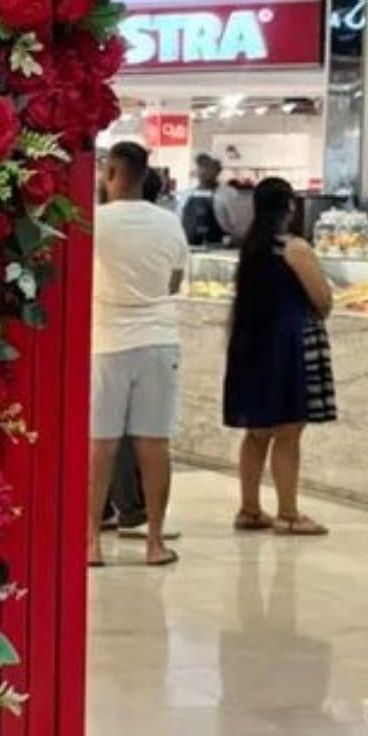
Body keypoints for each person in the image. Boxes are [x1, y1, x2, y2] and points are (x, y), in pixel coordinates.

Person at [89, 139, 188, 567]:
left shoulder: (94, 222)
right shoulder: (170, 224)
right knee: (154, 444)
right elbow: (173, 282)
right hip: (159, 341)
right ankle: (153, 543)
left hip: (106, 342)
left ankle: (90, 542)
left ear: (112, 174)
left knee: (100, 446)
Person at [223, 177, 335, 535]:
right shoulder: (295, 249)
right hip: (291, 346)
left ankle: (250, 508)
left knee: (257, 433)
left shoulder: (252, 248)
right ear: (289, 206)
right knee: (289, 430)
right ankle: (288, 512)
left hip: (253, 344)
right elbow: (323, 300)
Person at [181, 154, 226, 247]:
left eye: (208, 167)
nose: (204, 171)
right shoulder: (186, 194)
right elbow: (179, 219)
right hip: (189, 247)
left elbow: (233, 226)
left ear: (217, 170)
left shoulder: (227, 194)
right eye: (201, 167)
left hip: (217, 247)